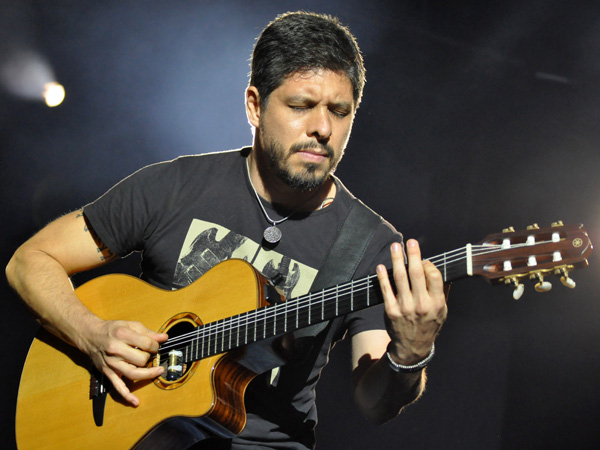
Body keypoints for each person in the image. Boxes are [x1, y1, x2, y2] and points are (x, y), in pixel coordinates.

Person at [6, 11, 447, 450]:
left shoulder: (372, 247)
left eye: (339, 111)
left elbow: (375, 405)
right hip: (141, 431)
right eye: (300, 106)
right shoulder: (174, 186)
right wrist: (92, 333)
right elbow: (30, 261)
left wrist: (409, 356)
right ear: (255, 105)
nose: (322, 128)